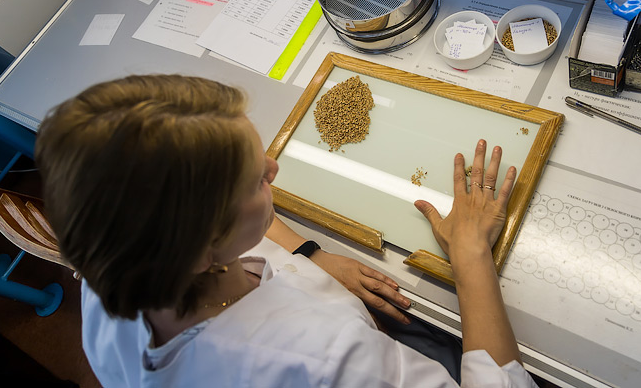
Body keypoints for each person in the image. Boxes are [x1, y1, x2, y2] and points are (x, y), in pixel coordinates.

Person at [35, 74, 538, 387]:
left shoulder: (115, 270)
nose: (275, 169)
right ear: (202, 247)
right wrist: (471, 256)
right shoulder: (326, 356)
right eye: (257, 180)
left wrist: (308, 253)